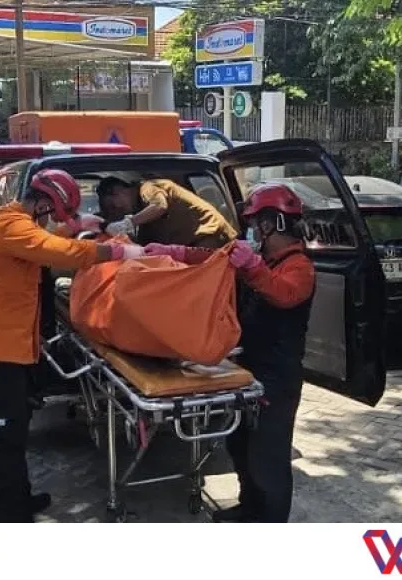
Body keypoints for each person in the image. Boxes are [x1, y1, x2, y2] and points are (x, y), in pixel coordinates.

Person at [0, 168, 144, 523]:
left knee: (13, 434)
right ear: (41, 205)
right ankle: (13, 518)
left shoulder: (20, 225)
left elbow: (46, 239)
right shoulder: (10, 226)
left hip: (6, 351)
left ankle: (20, 499)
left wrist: (73, 225)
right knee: (1, 441)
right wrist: (118, 251)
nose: (54, 221)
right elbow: (57, 250)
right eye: (54, 214)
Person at [144, 183, 316, 523]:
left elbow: (285, 294)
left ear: (272, 224)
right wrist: (174, 252)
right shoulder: (263, 260)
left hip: (278, 376)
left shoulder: (298, 266)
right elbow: (213, 258)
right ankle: (249, 509)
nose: (252, 231)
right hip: (249, 368)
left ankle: (270, 523)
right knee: (239, 445)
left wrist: (253, 267)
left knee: (268, 457)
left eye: (256, 224)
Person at [96, 176, 237, 249]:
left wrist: (128, 223)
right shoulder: (144, 217)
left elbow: (159, 206)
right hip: (197, 244)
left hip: (211, 236)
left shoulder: (148, 187)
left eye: (113, 206)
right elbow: (144, 247)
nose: (116, 210)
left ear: (118, 191)